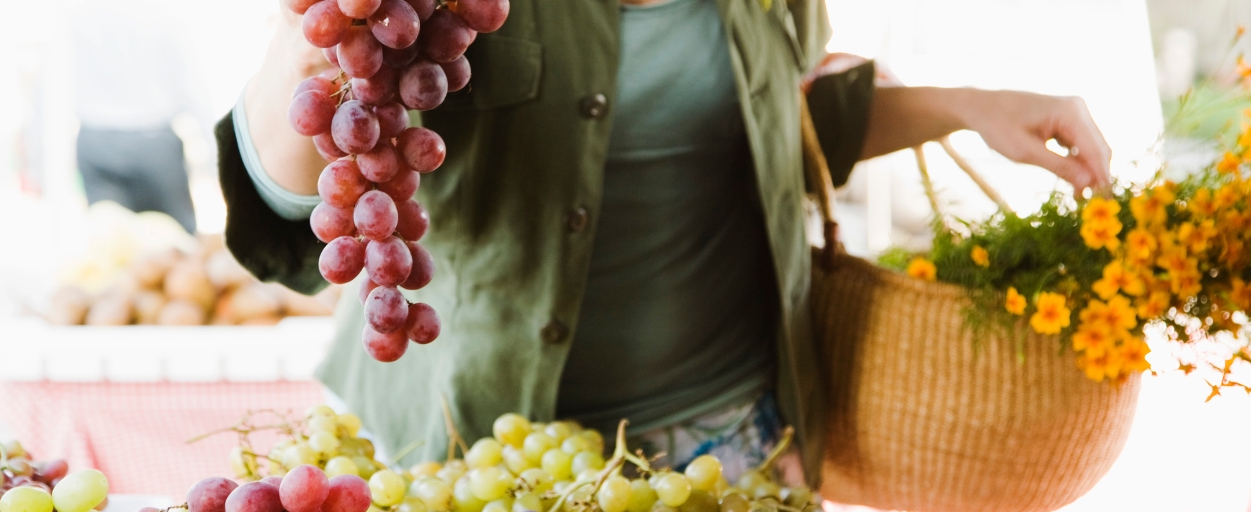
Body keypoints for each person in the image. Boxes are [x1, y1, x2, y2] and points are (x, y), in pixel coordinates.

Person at [218, 0, 1111, 482]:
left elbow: (778, 125)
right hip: (474, 464)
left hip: (731, 445)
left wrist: (970, 108)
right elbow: (296, 198)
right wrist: (308, 55)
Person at [71, 0, 213, 233]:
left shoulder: (79, 12)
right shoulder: (163, 12)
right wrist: (217, 154)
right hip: (151, 142)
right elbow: (193, 87)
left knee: (112, 248)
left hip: (96, 139)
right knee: (177, 246)